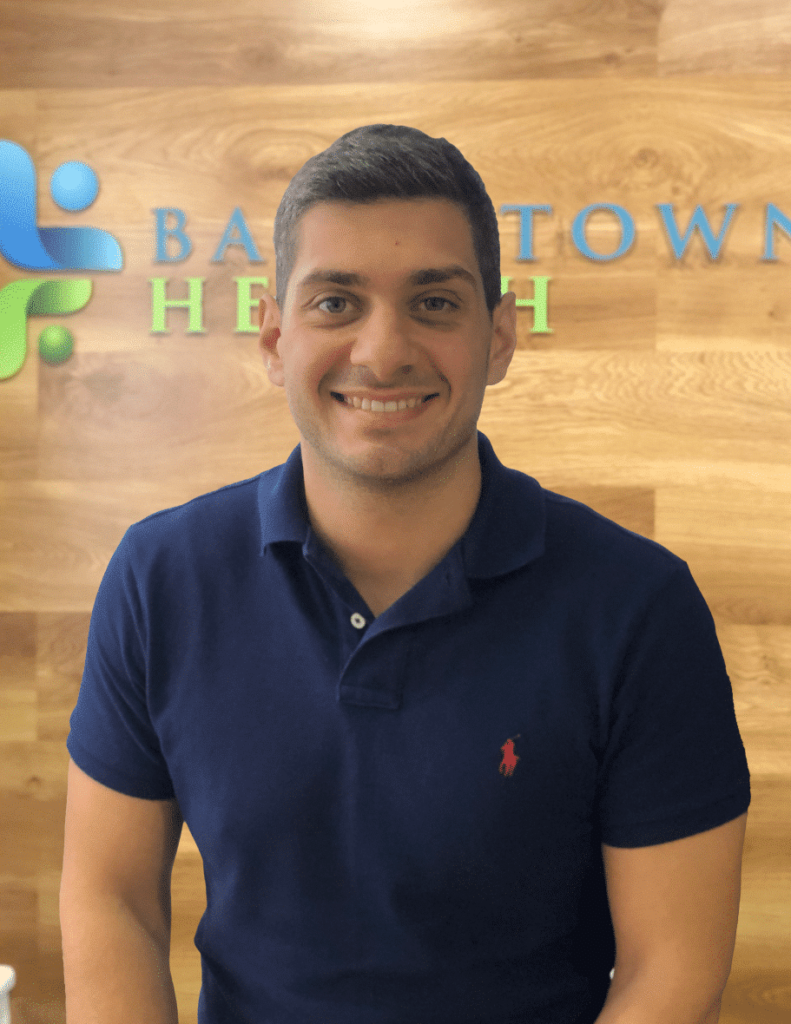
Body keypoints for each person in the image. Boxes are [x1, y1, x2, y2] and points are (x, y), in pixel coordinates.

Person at [60, 124, 751, 1024]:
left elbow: (672, 969)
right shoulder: (161, 579)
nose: (382, 351)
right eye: (335, 302)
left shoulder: (636, 606)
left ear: (497, 337)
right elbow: (110, 897)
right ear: (273, 337)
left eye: (433, 302)